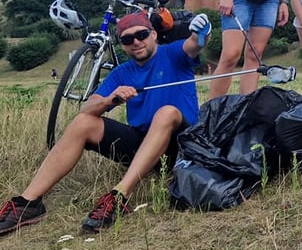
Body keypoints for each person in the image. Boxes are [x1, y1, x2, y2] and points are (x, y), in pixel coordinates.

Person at [0, 12, 211, 235]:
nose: (136, 42)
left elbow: (194, 45)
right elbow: (87, 109)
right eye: (128, 39)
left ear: (154, 34)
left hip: (184, 147)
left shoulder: (173, 53)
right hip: (144, 145)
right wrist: (110, 99)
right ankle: (28, 203)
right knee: (84, 122)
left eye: (141, 34)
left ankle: (119, 197)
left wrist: (201, 32)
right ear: (122, 45)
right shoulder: (122, 73)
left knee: (166, 112)